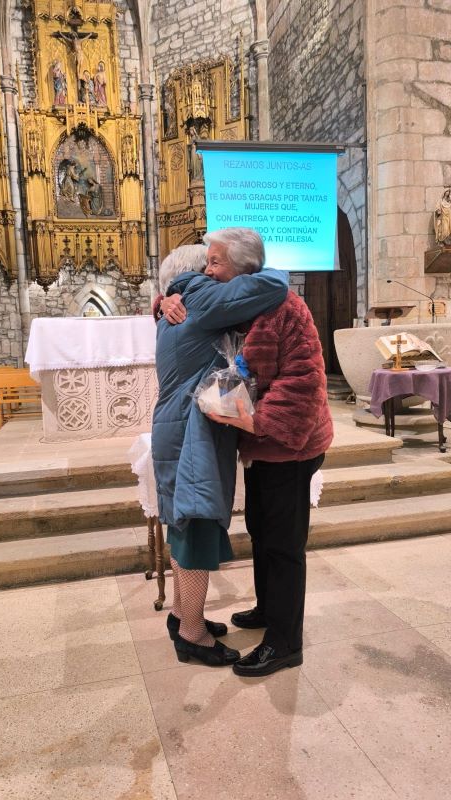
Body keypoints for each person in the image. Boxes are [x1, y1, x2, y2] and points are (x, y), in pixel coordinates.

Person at [162, 229, 334, 678]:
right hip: (259, 446)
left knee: (283, 544)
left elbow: (305, 382)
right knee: (261, 530)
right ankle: (268, 608)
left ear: (242, 269)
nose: (207, 269)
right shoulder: (237, 301)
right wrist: (162, 301)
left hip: (289, 446)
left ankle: (284, 642)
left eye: (215, 262)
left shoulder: (284, 308)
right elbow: (192, 321)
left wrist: (255, 423)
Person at [152, 234, 288, 667]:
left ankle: (181, 615)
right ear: (193, 276)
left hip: (177, 431)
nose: (212, 273)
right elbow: (275, 285)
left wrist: (163, 297)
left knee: (182, 525)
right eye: (206, 267)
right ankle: (192, 634)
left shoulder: (177, 311)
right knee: (196, 529)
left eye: (217, 265)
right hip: (192, 436)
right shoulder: (201, 298)